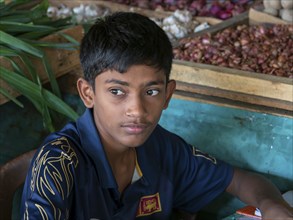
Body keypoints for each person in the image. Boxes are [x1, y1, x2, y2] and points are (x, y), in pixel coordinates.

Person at [20, 12, 293, 220]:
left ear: (168, 94)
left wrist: (273, 207)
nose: (137, 110)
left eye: (151, 91)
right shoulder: (57, 164)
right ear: (88, 93)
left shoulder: (164, 149)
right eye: (117, 91)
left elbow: (242, 181)